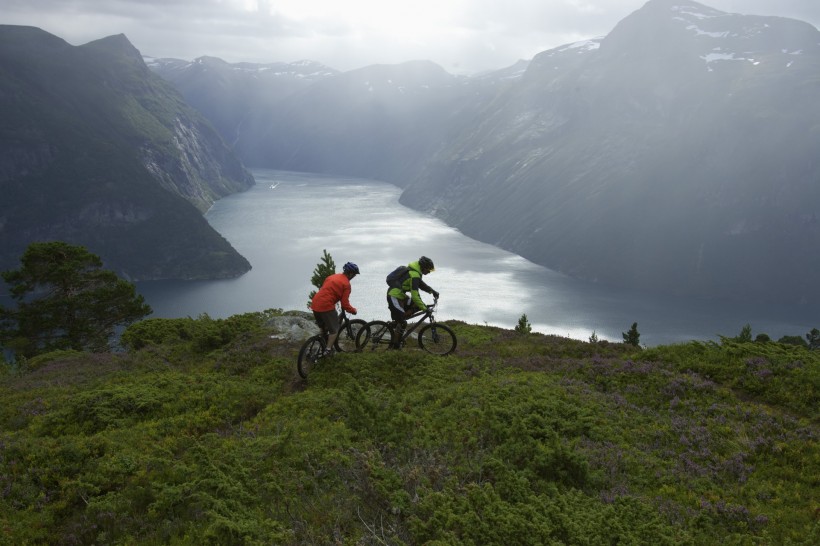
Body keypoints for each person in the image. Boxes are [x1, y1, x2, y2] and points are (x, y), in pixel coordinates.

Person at [386, 256, 439, 347]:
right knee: (403, 322)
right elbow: (415, 295)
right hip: (394, 296)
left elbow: (421, 285)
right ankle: (395, 345)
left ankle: (397, 322)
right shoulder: (414, 274)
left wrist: (432, 291)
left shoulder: (415, 272)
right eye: (428, 270)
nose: (429, 272)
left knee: (416, 306)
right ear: (423, 267)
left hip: (401, 296)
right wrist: (425, 308)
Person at [310, 261, 359, 355]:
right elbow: (345, 304)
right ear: (351, 273)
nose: (354, 277)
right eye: (354, 275)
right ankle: (328, 350)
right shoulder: (346, 284)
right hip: (326, 306)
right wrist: (353, 310)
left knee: (323, 328)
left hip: (315, 303)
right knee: (334, 330)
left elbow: (326, 290)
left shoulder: (331, 276)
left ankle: (321, 341)